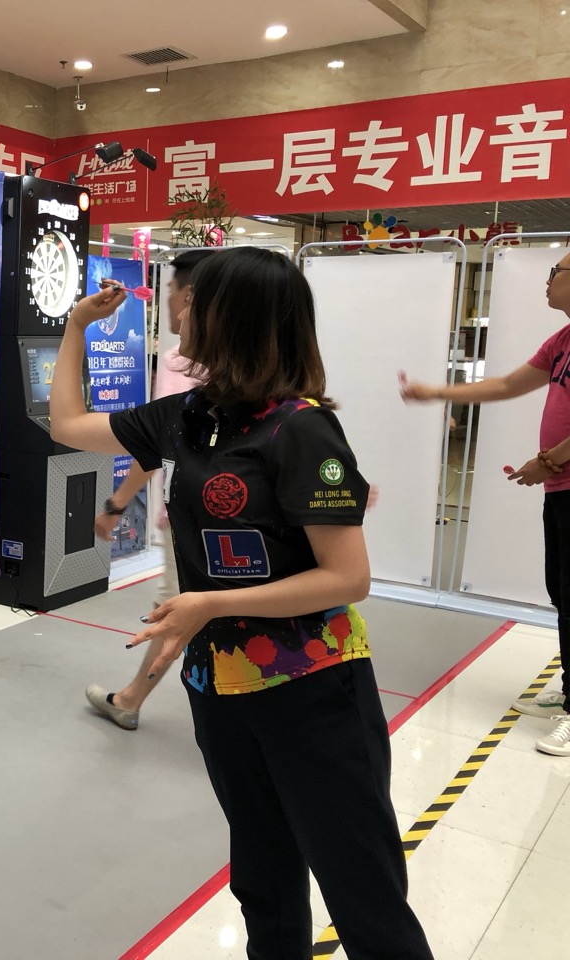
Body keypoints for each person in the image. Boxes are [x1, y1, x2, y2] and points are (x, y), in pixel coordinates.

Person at [51, 248, 433, 960]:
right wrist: (76, 327)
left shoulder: (302, 429)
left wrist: (209, 605)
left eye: (196, 298)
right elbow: (68, 426)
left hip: (312, 689)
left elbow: (347, 577)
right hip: (220, 690)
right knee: (263, 879)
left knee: (362, 890)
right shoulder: (189, 416)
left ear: (237, 317)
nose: (181, 305)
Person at [400, 250, 570, 758]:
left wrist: (549, 461)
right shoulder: (562, 341)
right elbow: (508, 384)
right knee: (562, 591)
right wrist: (438, 391)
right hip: (561, 488)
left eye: (556, 273)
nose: (547, 281)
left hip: (561, 478)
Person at [86, 248, 218, 730]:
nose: (169, 308)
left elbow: (159, 446)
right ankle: (131, 697)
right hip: (212, 517)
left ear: (190, 298)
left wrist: (117, 503)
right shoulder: (253, 374)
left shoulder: (184, 364)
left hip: (189, 518)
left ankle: (130, 699)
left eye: (171, 292)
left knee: (175, 609)